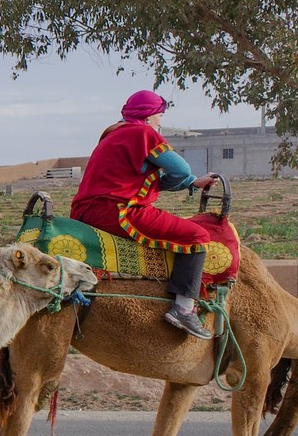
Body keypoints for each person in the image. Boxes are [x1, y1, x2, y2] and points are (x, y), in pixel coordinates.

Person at [70, 89, 222, 339]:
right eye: (160, 115)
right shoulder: (142, 133)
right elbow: (181, 168)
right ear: (150, 115)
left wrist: (191, 183)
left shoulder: (112, 134)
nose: (161, 121)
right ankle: (183, 309)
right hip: (119, 211)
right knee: (197, 236)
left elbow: (135, 178)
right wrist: (188, 180)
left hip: (87, 211)